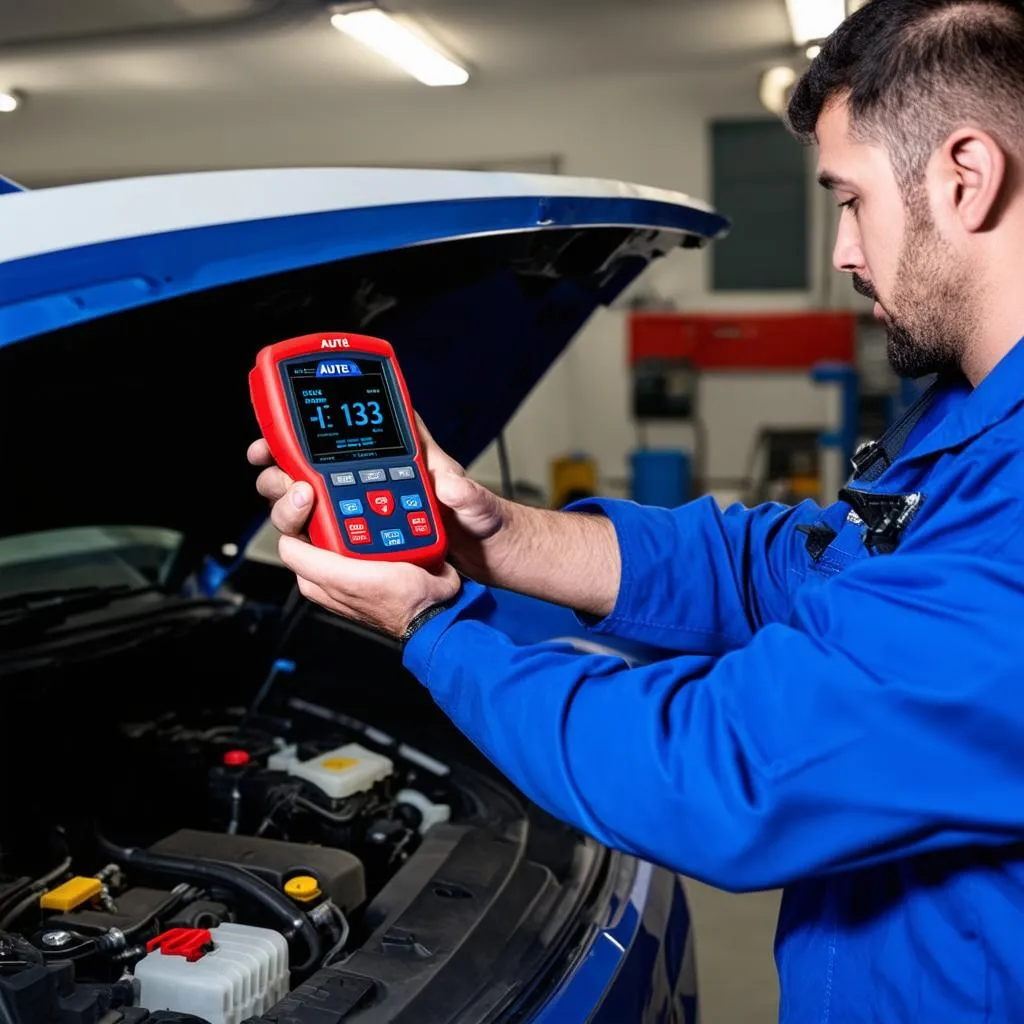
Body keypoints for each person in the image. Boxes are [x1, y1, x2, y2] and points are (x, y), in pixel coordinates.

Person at [248, 0, 1024, 1018]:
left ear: (964, 176)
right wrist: (491, 530)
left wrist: (433, 625)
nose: (842, 249)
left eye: (848, 198)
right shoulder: (966, 413)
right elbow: (783, 567)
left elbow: (721, 768)